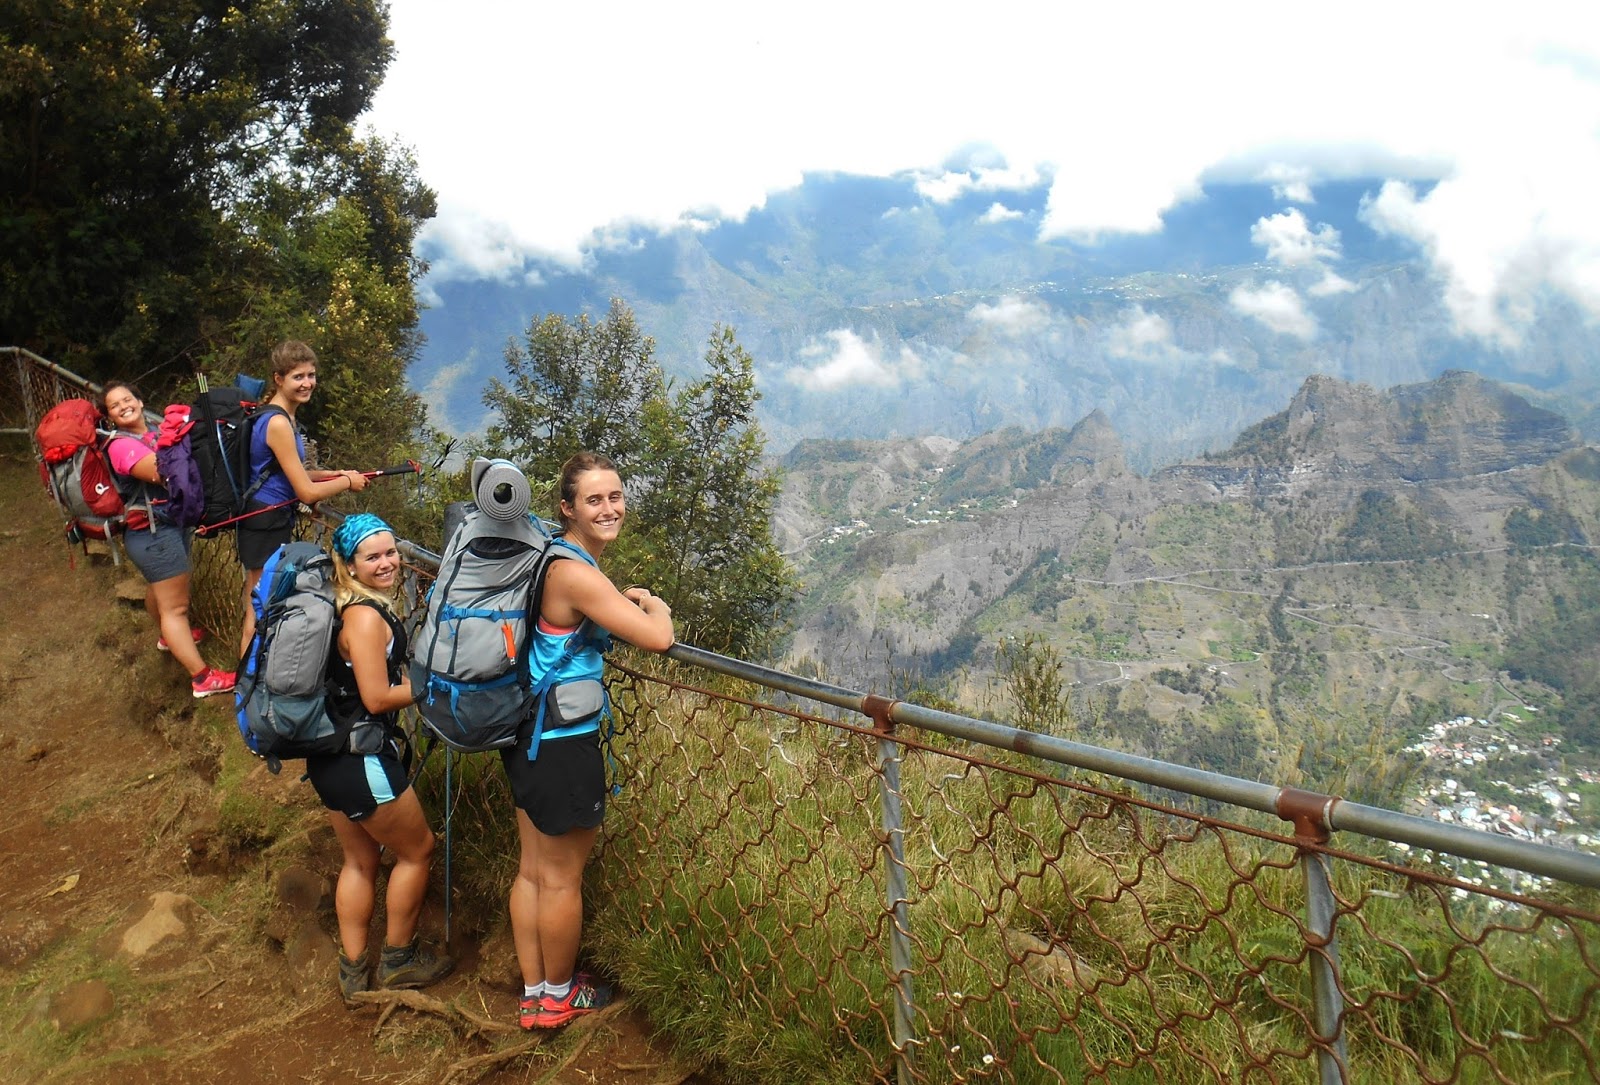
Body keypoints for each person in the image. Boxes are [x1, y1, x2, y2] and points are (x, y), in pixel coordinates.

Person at [502, 452, 675, 1030]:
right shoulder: (575, 571)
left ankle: (534, 992)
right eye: (594, 499)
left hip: (527, 733)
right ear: (567, 508)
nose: (609, 508)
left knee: (532, 870)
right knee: (560, 878)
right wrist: (654, 604)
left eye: (615, 496)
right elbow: (656, 636)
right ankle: (556, 997)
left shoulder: (554, 556)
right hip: (561, 742)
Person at [316, 513, 455, 1004]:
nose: (387, 563)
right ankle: (398, 960)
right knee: (417, 850)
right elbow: (376, 698)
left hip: (329, 755)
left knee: (358, 859)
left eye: (391, 552)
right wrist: (428, 686)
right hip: (363, 759)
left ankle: (353, 972)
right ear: (348, 564)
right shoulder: (366, 619)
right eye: (372, 557)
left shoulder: (338, 606)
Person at [237, 339, 370, 658]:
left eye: (311, 375)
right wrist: (345, 483)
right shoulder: (279, 423)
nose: (307, 382)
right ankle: (247, 689)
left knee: (261, 603)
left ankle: (255, 678)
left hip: (266, 519)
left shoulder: (281, 415)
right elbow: (305, 492)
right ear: (278, 379)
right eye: (298, 376)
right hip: (263, 522)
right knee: (258, 610)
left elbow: (289, 471)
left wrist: (335, 473)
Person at [101, 382, 235, 698]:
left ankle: (168, 636)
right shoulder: (121, 445)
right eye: (114, 405)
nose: (123, 406)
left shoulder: (155, 429)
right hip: (153, 534)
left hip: (165, 528)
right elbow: (167, 474)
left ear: (140, 400)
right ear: (109, 417)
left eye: (127, 399)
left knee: (160, 591)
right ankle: (202, 678)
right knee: (176, 608)